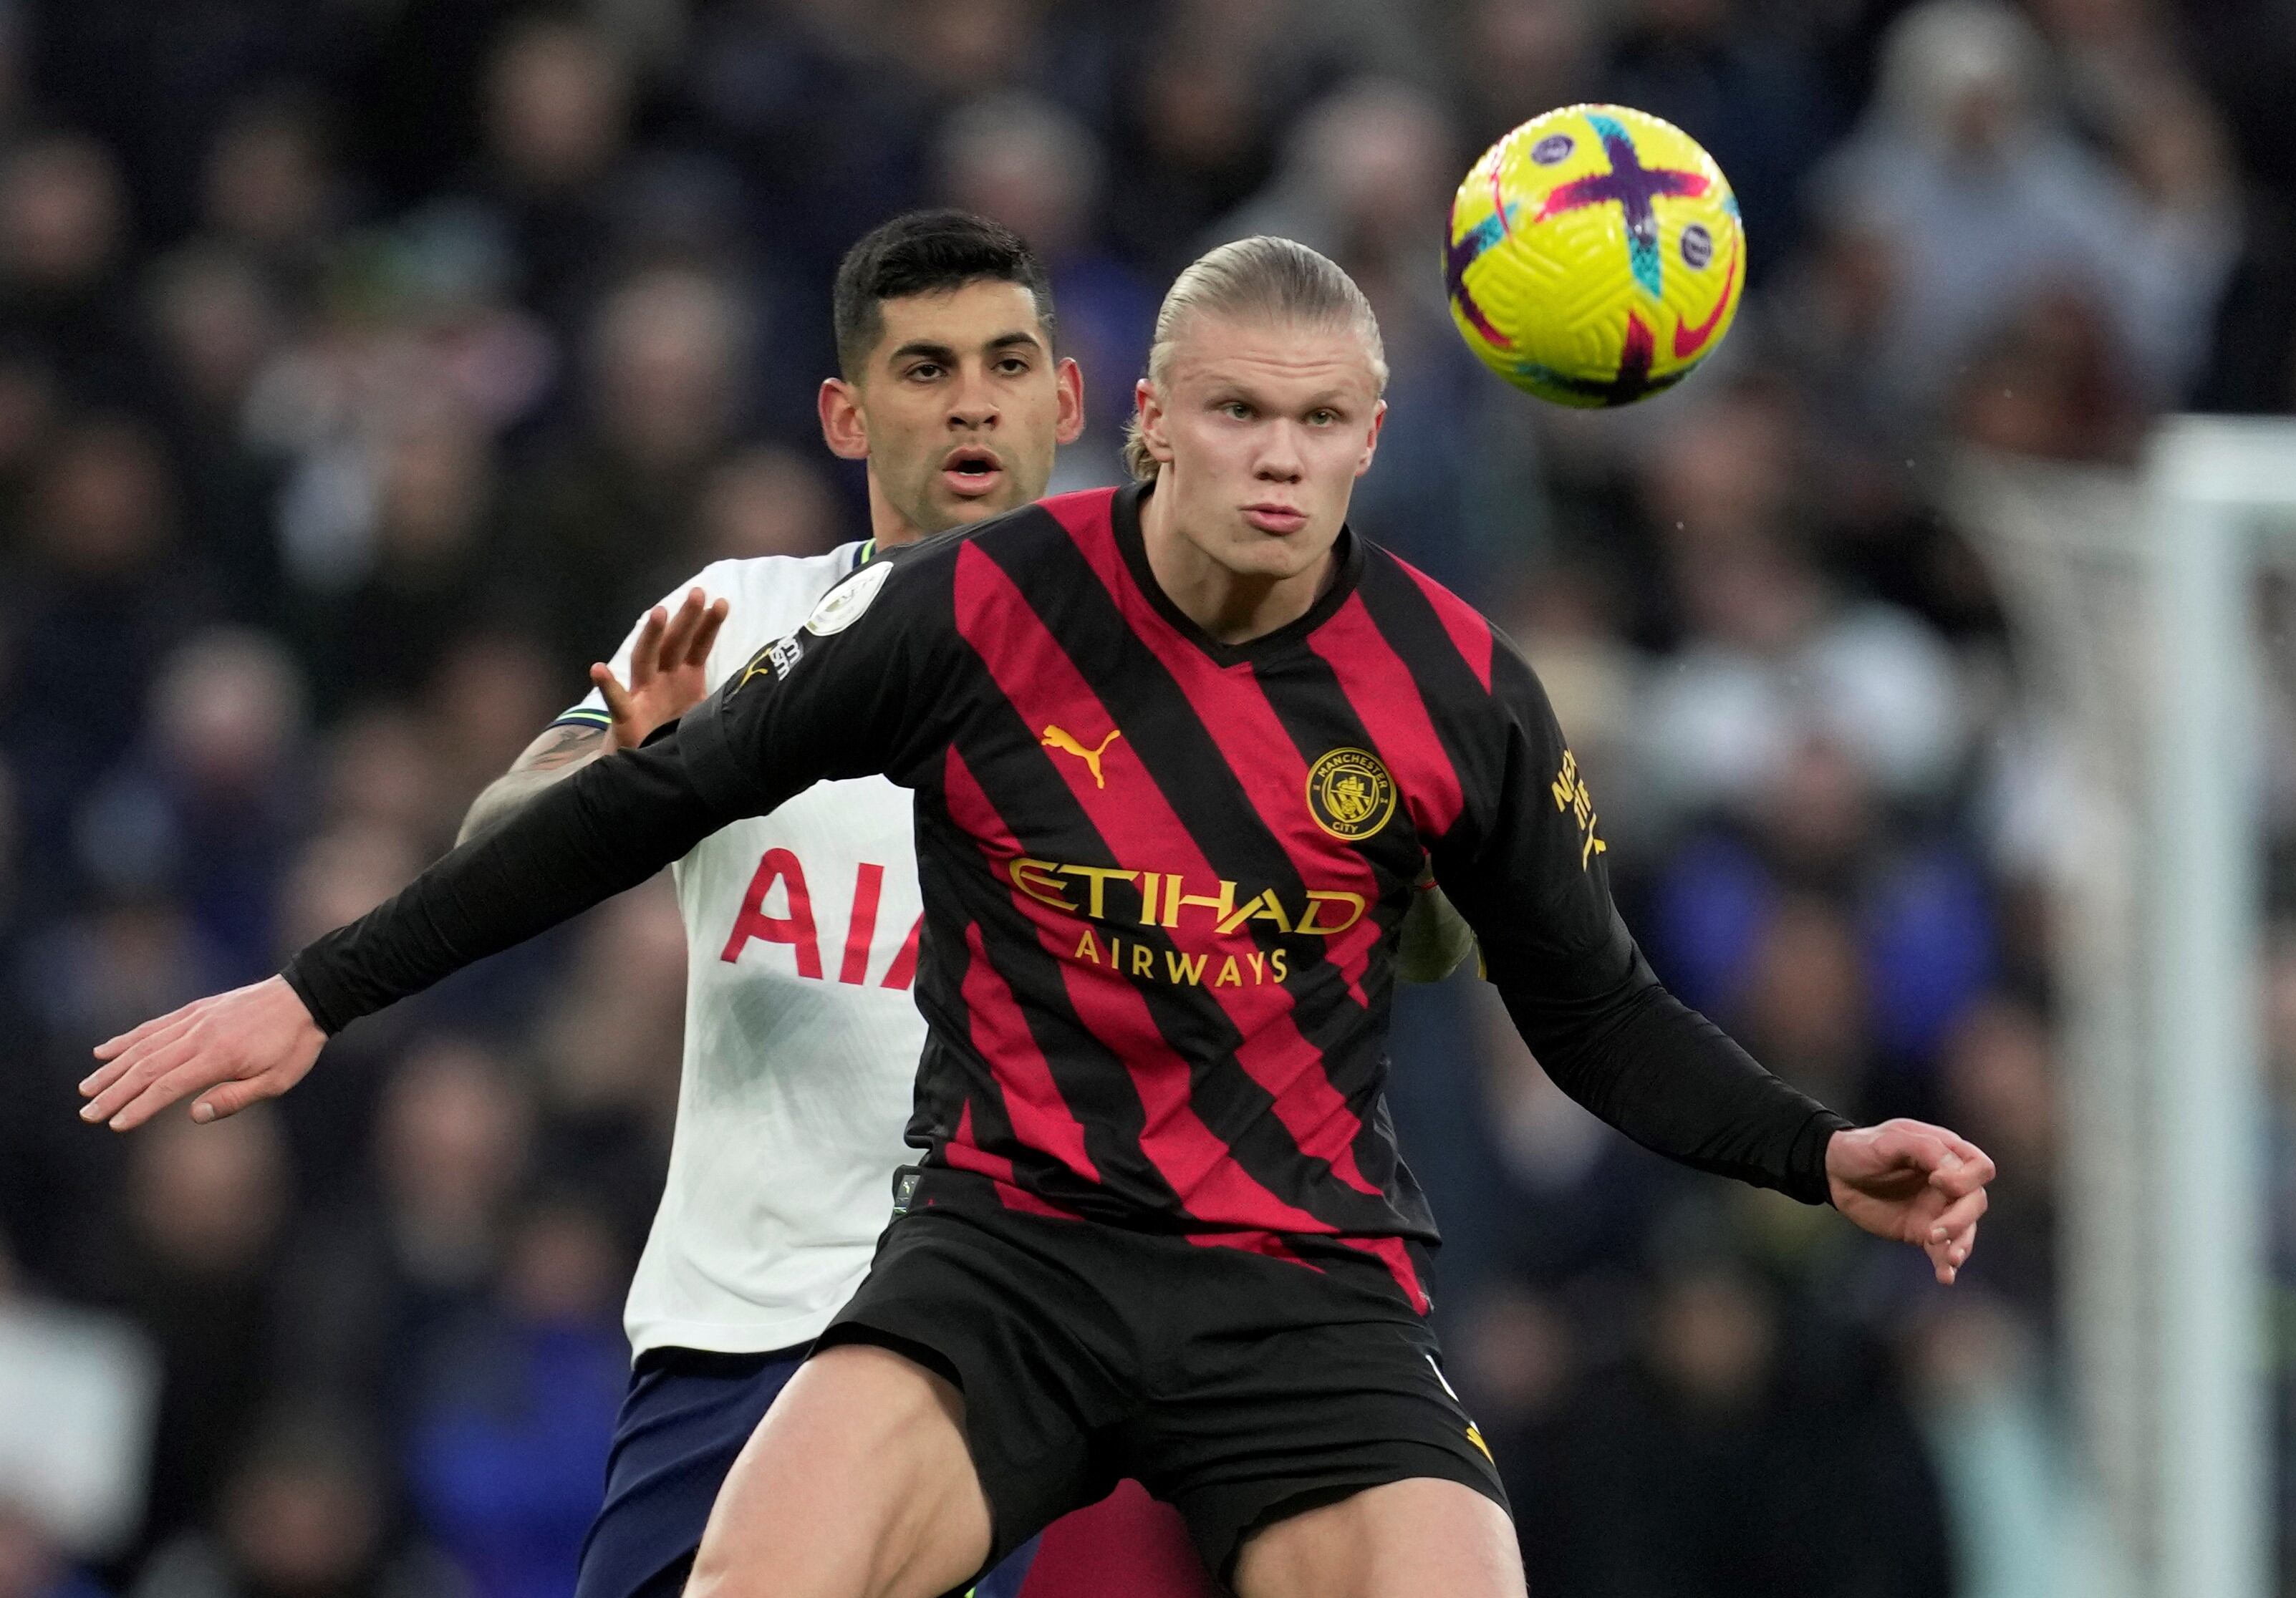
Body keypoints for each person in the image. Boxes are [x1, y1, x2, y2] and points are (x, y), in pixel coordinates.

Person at [83, 236, 1996, 1598]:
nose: (1276, 458)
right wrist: (319, 993)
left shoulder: (1457, 688)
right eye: (1236, 412)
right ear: (1151, 417)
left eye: (1319, 421)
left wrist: (1812, 1151)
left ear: (1370, 434)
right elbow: (647, 802)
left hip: (1295, 1280)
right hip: (1006, 1257)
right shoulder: (981, 608)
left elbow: (1599, 1014)